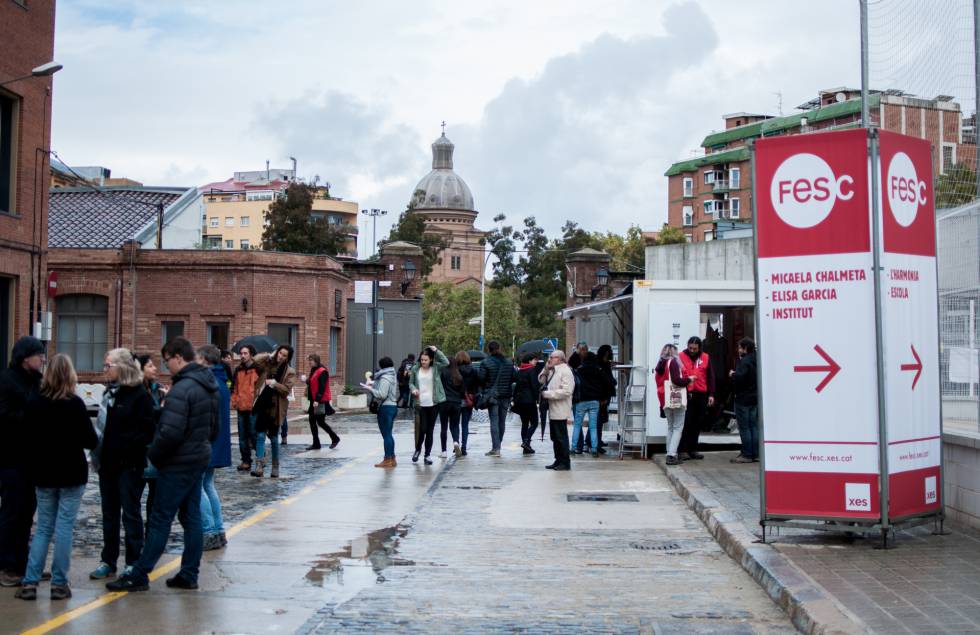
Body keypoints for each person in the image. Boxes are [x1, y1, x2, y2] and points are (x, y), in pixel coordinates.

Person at [106, 336, 219, 592]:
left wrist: (155, 456)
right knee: (191, 518)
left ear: (178, 357)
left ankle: (140, 573)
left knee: (159, 519)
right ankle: (189, 573)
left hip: (177, 463)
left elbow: (170, 432)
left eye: (167, 361)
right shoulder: (207, 385)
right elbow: (215, 429)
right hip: (197, 457)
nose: (166, 367)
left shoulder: (182, 388)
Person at [14, 354, 97, 601]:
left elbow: (25, 439)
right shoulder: (75, 404)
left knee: (43, 528)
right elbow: (90, 440)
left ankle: (30, 581)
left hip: (43, 472)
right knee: (64, 527)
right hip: (71, 471)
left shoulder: (34, 402)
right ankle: (59, 583)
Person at [89, 348, 155, 581]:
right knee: (109, 513)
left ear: (123, 367)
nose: (105, 370)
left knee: (131, 513)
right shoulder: (109, 393)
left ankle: (133, 561)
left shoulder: (139, 396)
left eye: (109, 365)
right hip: (106, 464)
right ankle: (108, 559)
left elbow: (148, 431)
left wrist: (126, 446)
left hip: (129, 465)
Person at [0, 336, 44, 587]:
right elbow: (4, 416)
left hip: (32, 459)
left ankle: (23, 561)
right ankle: (6, 564)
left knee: (27, 513)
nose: (42, 358)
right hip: (11, 458)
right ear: (25, 357)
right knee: (11, 512)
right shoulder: (7, 380)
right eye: (38, 354)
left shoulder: (36, 380)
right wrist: (31, 413)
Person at [196, 345, 231, 551]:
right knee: (208, 485)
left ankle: (209, 530)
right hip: (216, 443)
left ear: (206, 360)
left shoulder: (208, 383)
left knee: (197, 487)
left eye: (198, 359)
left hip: (205, 443)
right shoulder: (221, 381)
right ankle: (217, 529)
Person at [250, 345, 296, 478]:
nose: (281, 356)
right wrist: (268, 355)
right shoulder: (268, 364)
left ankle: (275, 466)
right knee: (259, 436)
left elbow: (286, 390)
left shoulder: (290, 371)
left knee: (274, 439)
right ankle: (259, 465)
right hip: (262, 404)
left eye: (284, 355)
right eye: (280, 353)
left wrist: (274, 384)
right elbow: (255, 361)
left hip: (275, 408)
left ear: (288, 358)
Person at [136, 353, 166, 529]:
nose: (155, 368)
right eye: (150, 366)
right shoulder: (135, 391)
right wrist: (161, 409)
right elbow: (143, 416)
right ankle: (136, 533)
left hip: (157, 450)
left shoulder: (158, 389)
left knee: (155, 498)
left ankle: (152, 531)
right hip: (140, 451)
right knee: (134, 498)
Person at [409, 346, 449, 465]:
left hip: (434, 403)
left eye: (426, 360)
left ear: (431, 360)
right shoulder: (415, 369)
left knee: (430, 431)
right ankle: (417, 450)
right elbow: (410, 383)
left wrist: (437, 351)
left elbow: (446, 362)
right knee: (423, 429)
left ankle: (427, 455)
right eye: (422, 360)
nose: (423, 362)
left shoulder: (436, 368)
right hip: (420, 404)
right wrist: (413, 389)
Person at [678, 336, 715, 461]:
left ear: (699, 348)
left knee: (697, 423)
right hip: (686, 393)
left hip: (701, 394)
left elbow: (710, 377)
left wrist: (711, 394)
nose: (692, 350)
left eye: (694, 348)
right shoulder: (680, 356)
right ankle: (682, 450)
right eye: (690, 348)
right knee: (686, 423)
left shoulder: (705, 357)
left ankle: (693, 449)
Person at [655, 344, 691, 466]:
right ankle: (671, 455)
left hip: (664, 399)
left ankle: (669, 453)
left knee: (670, 427)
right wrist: (689, 380)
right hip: (676, 399)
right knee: (678, 427)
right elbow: (676, 380)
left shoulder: (660, 365)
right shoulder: (673, 362)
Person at [479, 341, 516, 457]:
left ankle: (496, 448)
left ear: (489, 350)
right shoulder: (509, 363)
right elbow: (514, 377)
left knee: (494, 421)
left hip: (492, 396)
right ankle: (498, 445)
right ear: (499, 348)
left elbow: (481, 379)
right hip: (506, 395)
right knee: (502, 421)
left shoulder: (486, 362)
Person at [572, 352, 612, 457]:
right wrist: (603, 397)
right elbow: (608, 383)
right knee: (593, 426)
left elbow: (574, 384)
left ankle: (573, 447)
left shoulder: (578, 370)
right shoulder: (599, 370)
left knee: (577, 425)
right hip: (595, 401)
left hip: (581, 401)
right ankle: (594, 449)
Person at [539, 350, 573, 471]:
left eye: (552, 357)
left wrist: (548, 394)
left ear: (559, 359)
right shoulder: (553, 370)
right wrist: (546, 368)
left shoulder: (565, 371)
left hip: (561, 409)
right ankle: (558, 459)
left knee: (561, 437)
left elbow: (567, 391)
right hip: (553, 408)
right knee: (555, 437)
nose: (550, 359)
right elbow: (541, 381)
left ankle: (565, 461)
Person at [730, 338, 758, 464]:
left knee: (745, 427)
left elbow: (740, 378)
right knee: (754, 426)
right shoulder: (758, 359)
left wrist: (732, 374)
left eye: (740, 347)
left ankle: (747, 454)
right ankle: (756, 453)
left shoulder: (744, 361)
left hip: (743, 398)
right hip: (755, 398)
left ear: (745, 348)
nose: (739, 350)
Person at [366, 357, 399, 467]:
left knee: (386, 435)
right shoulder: (392, 375)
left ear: (381, 366)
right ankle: (392, 458)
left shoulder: (385, 377)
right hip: (392, 406)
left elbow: (382, 394)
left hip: (386, 408)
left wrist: (370, 389)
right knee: (389, 434)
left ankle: (387, 459)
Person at [231, 345, 258, 472]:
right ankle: (246, 460)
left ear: (251, 354)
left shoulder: (258, 369)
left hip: (254, 407)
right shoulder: (238, 370)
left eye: (245, 353)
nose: (242, 355)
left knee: (254, 435)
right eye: (241, 353)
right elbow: (234, 387)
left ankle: (259, 459)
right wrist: (234, 400)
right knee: (242, 436)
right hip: (241, 406)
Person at [306, 353, 339, 450]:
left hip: (320, 400)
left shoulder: (322, 371)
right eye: (309, 360)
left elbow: (322, 386)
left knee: (320, 422)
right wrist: (306, 380)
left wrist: (317, 400)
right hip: (313, 399)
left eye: (310, 360)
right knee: (312, 421)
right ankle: (316, 443)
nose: (309, 362)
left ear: (316, 360)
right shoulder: (314, 369)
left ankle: (335, 438)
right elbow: (312, 382)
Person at [512, 353, 541, 455]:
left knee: (524, 423)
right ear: (529, 361)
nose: (536, 362)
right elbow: (534, 386)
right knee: (534, 423)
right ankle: (526, 441)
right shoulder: (532, 370)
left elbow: (516, 386)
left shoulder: (520, 370)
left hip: (520, 401)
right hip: (529, 401)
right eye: (534, 360)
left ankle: (526, 447)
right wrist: (538, 398)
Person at [438, 353, 465, 459]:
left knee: (443, 426)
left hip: (444, 402)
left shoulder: (443, 373)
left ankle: (444, 451)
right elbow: (462, 391)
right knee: (455, 425)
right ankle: (456, 442)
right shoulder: (458, 375)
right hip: (456, 403)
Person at [592, 344, 617, 452]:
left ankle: (597, 440)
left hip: (605, 395)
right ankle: (595, 442)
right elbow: (604, 381)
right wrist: (602, 397)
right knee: (598, 420)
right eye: (610, 351)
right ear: (606, 352)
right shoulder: (600, 365)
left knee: (601, 419)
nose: (611, 352)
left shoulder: (604, 364)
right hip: (601, 396)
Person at [456, 351, 479, 456]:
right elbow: (476, 385)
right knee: (465, 425)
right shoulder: (473, 371)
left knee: (455, 424)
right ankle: (464, 447)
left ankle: (456, 443)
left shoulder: (455, 370)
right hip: (468, 399)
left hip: (457, 399)